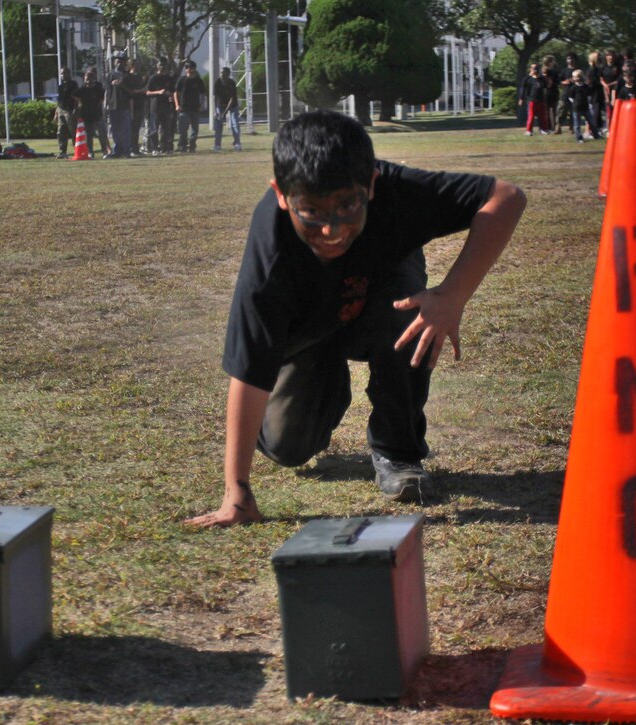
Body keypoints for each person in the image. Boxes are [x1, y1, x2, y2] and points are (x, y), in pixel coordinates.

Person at [184, 109, 526, 528]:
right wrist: (236, 492)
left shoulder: (399, 192)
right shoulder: (270, 253)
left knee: (408, 311)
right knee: (287, 447)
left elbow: (506, 197)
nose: (332, 229)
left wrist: (451, 295)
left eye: (348, 205)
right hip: (310, 334)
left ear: (372, 184)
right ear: (280, 194)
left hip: (381, 302)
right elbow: (250, 370)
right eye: (311, 211)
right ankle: (324, 376)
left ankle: (397, 450)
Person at [76, 68, 109, 159]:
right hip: (86, 115)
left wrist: (102, 108)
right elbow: (75, 96)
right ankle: (90, 151)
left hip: (97, 114)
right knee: (88, 135)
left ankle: (104, 151)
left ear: (93, 79)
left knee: (100, 134)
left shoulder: (98, 89)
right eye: (87, 78)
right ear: (84, 78)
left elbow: (102, 99)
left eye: (90, 78)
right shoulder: (81, 89)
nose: (88, 80)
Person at [145, 58, 176, 155]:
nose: (163, 67)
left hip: (166, 106)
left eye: (164, 65)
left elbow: (173, 91)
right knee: (154, 129)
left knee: (166, 129)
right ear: (157, 66)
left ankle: (165, 148)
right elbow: (147, 92)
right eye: (161, 64)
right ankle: (154, 148)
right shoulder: (153, 78)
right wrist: (158, 92)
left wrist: (169, 95)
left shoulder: (169, 79)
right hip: (155, 107)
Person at [175, 59, 205, 153]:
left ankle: (192, 146)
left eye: (192, 68)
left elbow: (203, 93)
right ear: (186, 69)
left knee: (194, 129)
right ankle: (182, 146)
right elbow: (176, 93)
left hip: (195, 107)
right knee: (183, 129)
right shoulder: (182, 80)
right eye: (189, 68)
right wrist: (177, 105)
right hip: (184, 108)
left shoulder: (198, 80)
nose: (191, 70)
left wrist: (202, 104)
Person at [105, 54, 132, 158]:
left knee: (125, 129)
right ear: (114, 62)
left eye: (121, 61)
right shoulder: (110, 75)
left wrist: (121, 85)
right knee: (115, 130)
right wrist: (106, 105)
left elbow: (131, 91)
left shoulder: (127, 76)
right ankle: (117, 151)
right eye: (117, 61)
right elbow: (107, 91)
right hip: (113, 106)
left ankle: (126, 151)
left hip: (124, 106)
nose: (119, 63)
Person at [212, 67, 242, 152]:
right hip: (220, 104)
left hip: (232, 105)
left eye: (224, 73)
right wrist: (215, 111)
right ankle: (217, 145)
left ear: (228, 74)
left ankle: (237, 144)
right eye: (221, 73)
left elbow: (232, 99)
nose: (222, 74)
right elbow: (215, 97)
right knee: (218, 125)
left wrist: (224, 113)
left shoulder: (232, 83)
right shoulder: (217, 82)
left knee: (234, 123)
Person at [567, 69, 600, 143]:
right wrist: (574, 102)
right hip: (576, 108)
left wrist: (589, 102)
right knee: (577, 124)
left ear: (581, 77)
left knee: (591, 122)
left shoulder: (585, 86)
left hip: (585, 107)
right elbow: (570, 97)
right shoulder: (573, 87)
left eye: (577, 77)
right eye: (574, 77)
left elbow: (589, 95)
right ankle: (579, 138)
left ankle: (596, 135)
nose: (575, 78)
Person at [518, 64, 550, 135]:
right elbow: (522, 88)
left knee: (542, 116)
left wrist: (545, 77)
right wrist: (521, 98)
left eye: (536, 68)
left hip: (541, 100)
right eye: (533, 68)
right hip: (531, 100)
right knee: (531, 116)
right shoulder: (528, 79)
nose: (534, 70)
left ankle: (543, 129)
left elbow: (547, 86)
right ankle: (529, 130)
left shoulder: (542, 79)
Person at [55, 67, 79, 159]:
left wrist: (75, 110)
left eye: (64, 73)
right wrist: (56, 113)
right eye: (61, 74)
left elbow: (76, 98)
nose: (63, 75)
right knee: (61, 131)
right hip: (61, 110)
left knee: (73, 131)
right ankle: (62, 151)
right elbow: (59, 101)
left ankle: (77, 150)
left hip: (69, 110)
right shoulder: (60, 86)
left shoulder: (73, 84)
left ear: (69, 74)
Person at [126, 59, 147, 156]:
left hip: (140, 104)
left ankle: (136, 149)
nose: (138, 66)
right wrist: (141, 90)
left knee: (137, 128)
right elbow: (130, 91)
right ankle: (131, 149)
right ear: (131, 66)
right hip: (131, 106)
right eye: (136, 64)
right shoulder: (128, 77)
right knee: (132, 129)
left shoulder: (139, 77)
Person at [599, 50, 622, 130]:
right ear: (606, 57)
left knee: (615, 107)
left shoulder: (617, 67)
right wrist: (605, 85)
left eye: (612, 55)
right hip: (605, 90)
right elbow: (601, 78)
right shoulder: (603, 67)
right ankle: (608, 128)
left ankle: (617, 126)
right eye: (608, 55)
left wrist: (610, 84)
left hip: (616, 89)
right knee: (608, 107)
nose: (610, 57)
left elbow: (619, 79)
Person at [542, 55, 562, 134]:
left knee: (554, 111)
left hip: (554, 92)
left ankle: (553, 127)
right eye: (553, 61)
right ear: (549, 62)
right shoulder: (544, 71)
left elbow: (557, 82)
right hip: (546, 92)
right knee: (546, 111)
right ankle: (548, 127)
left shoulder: (554, 71)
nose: (554, 62)